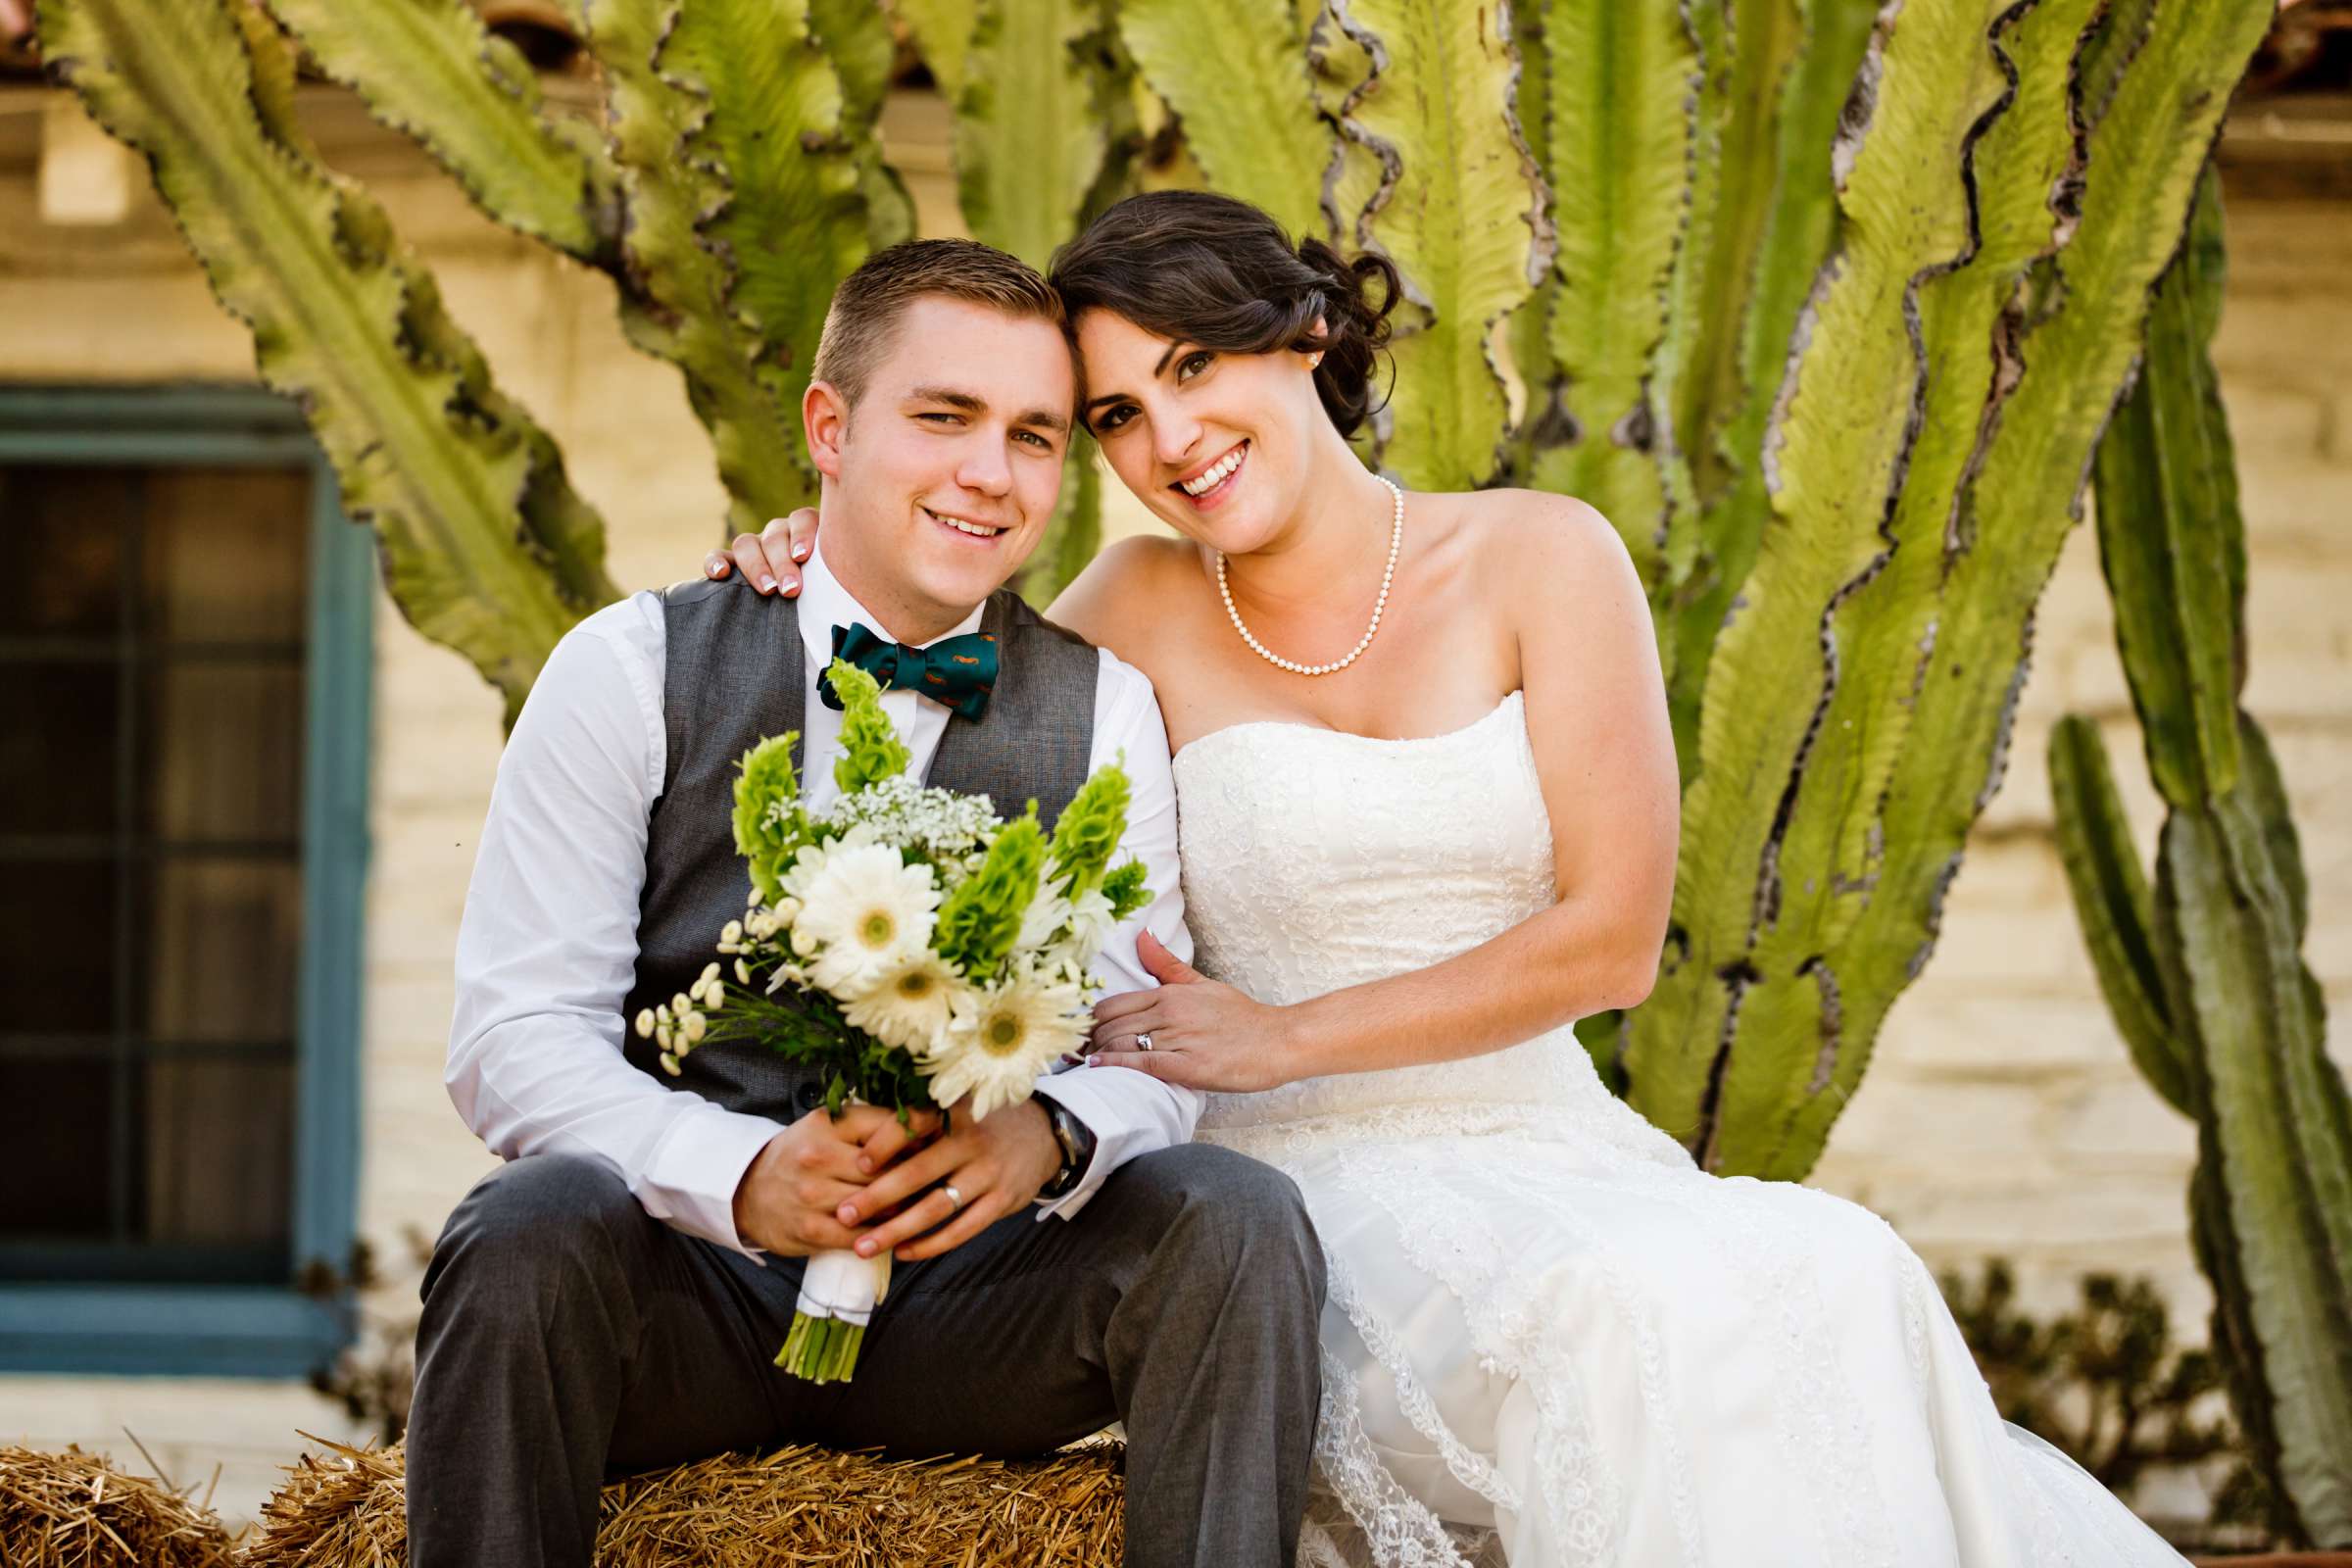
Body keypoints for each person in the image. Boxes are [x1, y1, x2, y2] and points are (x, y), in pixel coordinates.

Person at [710, 191, 2195, 1566]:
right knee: (1624, 1316)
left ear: (1301, 336)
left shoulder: (1542, 557)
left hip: (1557, 1146)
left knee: (1834, 1263)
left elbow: (1613, 941)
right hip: (1297, 1186)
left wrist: (1287, 1028)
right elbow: (922, 699)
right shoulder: (1128, 611)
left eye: (1193, 369)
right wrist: (818, 544)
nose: (1170, 439)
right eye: (1115, 414)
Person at [412, 237, 1326, 1568]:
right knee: (521, 1230)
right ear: (829, 430)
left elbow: (1145, 1027)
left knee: (1233, 1223)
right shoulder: (625, 669)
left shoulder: (1106, 705)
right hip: (692, 1302)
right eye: (944, 418)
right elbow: (513, 1036)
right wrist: (738, 1176)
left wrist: (1050, 1141)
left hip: (978, 1311)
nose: (988, 472)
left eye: (1035, 435)